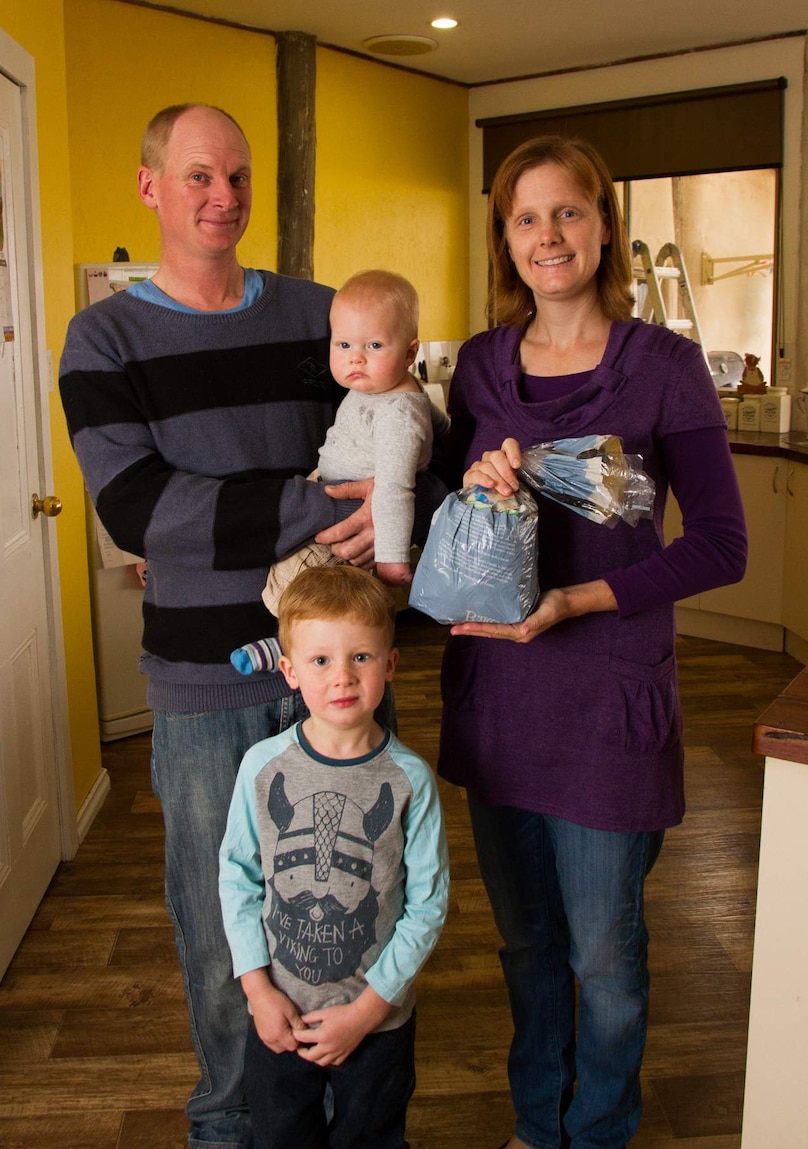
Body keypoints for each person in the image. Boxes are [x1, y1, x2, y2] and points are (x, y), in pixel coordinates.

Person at [58, 104, 445, 1149]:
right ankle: (235, 1125)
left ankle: (354, 1118)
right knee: (227, 921)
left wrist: (404, 493)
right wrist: (323, 507)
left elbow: (410, 437)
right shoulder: (104, 337)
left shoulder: (323, 314)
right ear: (150, 188)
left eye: (235, 177)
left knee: (367, 901)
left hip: (341, 671)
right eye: (196, 177)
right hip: (202, 687)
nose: (221, 197)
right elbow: (139, 508)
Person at [436, 135, 748, 1149]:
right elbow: (452, 511)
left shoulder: (662, 366)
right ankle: (538, 1124)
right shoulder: (480, 367)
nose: (548, 234)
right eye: (525, 217)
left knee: (604, 954)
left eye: (567, 211)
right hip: (498, 698)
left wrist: (576, 602)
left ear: (603, 224)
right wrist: (465, 486)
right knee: (527, 945)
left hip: (609, 704)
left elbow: (719, 545)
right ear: (504, 238)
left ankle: (601, 1127)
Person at [219, 564, 449, 1148]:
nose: (342, 677)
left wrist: (370, 1010)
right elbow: (238, 878)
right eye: (321, 661)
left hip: (377, 1022)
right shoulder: (261, 768)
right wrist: (257, 992)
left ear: (391, 664)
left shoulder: (410, 780)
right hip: (281, 1016)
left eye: (362, 658)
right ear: (291, 672)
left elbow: (427, 905)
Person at [231, 268, 445, 676]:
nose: (355, 358)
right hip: (328, 492)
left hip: (347, 521)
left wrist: (393, 558)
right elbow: (437, 422)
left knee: (299, 582)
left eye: (374, 345)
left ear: (410, 352)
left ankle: (284, 647)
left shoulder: (398, 414)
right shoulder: (387, 389)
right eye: (343, 344)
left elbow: (396, 489)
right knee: (316, 591)